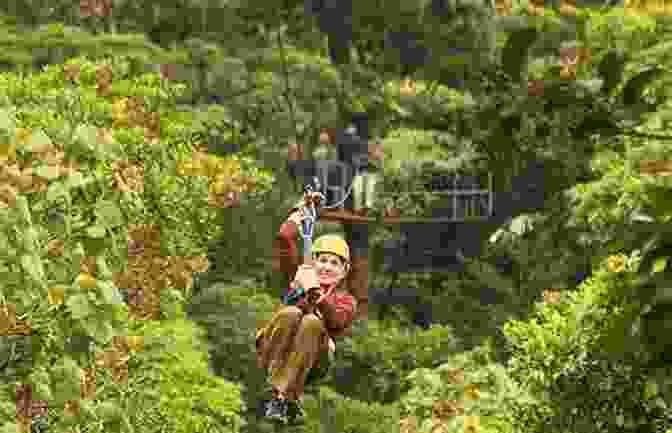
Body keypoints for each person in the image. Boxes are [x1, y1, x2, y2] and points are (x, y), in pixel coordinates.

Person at [256, 198, 357, 424]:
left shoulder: (345, 300)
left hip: (312, 359)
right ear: (314, 261)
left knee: (312, 322)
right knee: (290, 313)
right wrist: (299, 211)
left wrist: (316, 295)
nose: (327, 267)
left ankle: (281, 396)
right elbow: (284, 239)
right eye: (322, 260)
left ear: (343, 271)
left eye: (334, 263)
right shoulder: (299, 275)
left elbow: (337, 321)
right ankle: (284, 396)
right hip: (277, 345)